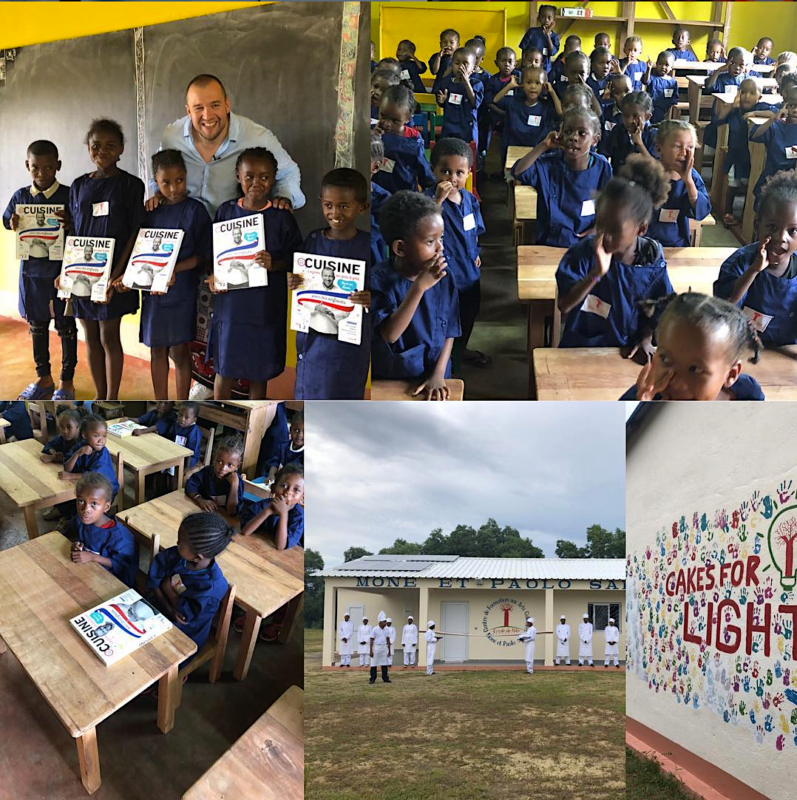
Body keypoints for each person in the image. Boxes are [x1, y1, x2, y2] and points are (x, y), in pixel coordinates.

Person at [114, 150, 211, 400]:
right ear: (155, 182)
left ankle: (181, 402)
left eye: (179, 180)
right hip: (154, 296)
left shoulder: (196, 211)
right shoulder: (150, 211)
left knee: (180, 352)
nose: (173, 188)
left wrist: (173, 270)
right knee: (157, 351)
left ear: (186, 176)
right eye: (165, 182)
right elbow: (140, 253)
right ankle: (161, 402)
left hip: (181, 292)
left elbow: (202, 256)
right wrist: (129, 278)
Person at [208, 147, 302, 400]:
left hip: (264, 307)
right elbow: (214, 254)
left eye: (264, 177)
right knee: (224, 367)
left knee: (258, 372)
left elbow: (297, 258)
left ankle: (252, 414)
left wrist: (275, 264)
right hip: (231, 306)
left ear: (273, 179)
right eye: (249, 176)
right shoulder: (225, 211)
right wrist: (213, 277)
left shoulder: (282, 217)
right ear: (238, 176)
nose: (256, 183)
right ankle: (220, 412)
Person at [60, 119, 144, 401]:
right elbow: (75, 231)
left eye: (110, 146)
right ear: (88, 149)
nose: (102, 151)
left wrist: (116, 275)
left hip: (113, 276)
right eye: (96, 145)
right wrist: (67, 272)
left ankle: (112, 397)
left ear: (121, 150)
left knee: (109, 336)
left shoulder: (132, 185)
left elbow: (134, 231)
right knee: (90, 336)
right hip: (84, 275)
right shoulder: (78, 185)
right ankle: (99, 394)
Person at [556, 155, 671, 353]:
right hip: (582, 347)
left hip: (626, 350)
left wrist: (646, 339)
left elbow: (658, 308)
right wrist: (596, 274)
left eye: (614, 229)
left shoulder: (652, 260)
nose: (604, 235)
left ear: (641, 229)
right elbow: (564, 305)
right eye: (600, 224)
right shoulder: (584, 252)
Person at [150, 74, 303, 216]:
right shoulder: (171, 136)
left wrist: (285, 197)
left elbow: (289, 172)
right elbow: (157, 174)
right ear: (189, 111)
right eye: (198, 108)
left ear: (227, 105)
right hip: (186, 230)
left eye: (215, 105)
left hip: (234, 230)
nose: (207, 115)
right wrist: (159, 195)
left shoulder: (257, 137)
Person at [3, 140, 75, 401]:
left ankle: (67, 383)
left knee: (66, 327)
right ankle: (43, 378)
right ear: (27, 166)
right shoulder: (21, 196)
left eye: (48, 168)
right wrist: (12, 222)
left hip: (61, 273)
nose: (42, 173)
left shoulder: (69, 195)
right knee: (37, 327)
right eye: (35, 168)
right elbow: (6, 219)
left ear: (58, 165)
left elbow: (80, 228)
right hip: (31, 275)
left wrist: (71, 223)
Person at [290, 169, 371, 400]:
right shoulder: (314, 241)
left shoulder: (367, 245)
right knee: (309, 394)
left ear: (362, 207)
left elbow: (385, 292)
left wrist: (370, 298)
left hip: (349, 344)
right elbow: (301, 281)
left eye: (344, 206)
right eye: (328, 205)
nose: (335, 212)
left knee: (343, 397)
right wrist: (294, 281)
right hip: (313, 341)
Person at [371, 191, 461, 400]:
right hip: (397, 381)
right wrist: (419, 287)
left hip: (436, 376)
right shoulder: (378, 281)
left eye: (441, 238)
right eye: (430, 242)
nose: (440, 248)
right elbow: (389, 335)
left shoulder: (444, 275)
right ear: (400, 248)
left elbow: (450, 330)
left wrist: (438, 374)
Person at [620, 293, 765, 401]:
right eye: (664, 358)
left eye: (694, 369)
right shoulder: (639, 398)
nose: (676, 384)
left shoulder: (748, 395)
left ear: (731, 375)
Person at [714, 170, 797, 346]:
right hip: (742, 348)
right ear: (757, 226)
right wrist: (753, 271)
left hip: (783, 353)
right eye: (772, 227)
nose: (781, 237)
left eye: (793, 231)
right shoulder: (738, 263)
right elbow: (725, 310)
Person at [425, 138, 487, 369]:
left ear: (468, 172)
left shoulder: (470, 200)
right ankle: (444, 362)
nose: (452, 178)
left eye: (459, 172)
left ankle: (461, 350)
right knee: (443, 320)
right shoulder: (427, 202)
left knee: (468, 314)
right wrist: (438, 201)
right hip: (442, 276)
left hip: (468, 272)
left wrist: (476, 251)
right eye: (445, 171)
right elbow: (422, 226)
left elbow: (475, 231)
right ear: (433, 171)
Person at [512, 108, 613, 247]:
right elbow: (518, 172)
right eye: (567, 132)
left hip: (585, 242)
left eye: (582, 133)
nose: (573, 137)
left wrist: (599, 228)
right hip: (549, 241)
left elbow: (610, 206)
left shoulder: (602, 167)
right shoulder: (549, 163)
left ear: (595, 140)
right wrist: (544, 145)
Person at [146, 511, 233, 652]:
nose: (177, 543)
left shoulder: (210, 588)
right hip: (160, 607)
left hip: (186, 634)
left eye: (180, 543)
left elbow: (186, 616)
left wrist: (168, 589)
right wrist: (168, 606)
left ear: (197, 558)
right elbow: (155, 579)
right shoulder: (178, 556)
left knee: (158, 657)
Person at [714, 79, 778, 226]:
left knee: (748, 186)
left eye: (752, 93)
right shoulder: (735, 110)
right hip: (734, 155)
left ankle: (744, 216)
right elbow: (718, 120)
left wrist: (755, 112)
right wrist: (731, 106)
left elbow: (774, 112)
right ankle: (728, 212)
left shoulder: (760, 107)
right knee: (732, 184)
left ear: (759, 96)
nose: (747, 96)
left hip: (750, 159)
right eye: (743, 92)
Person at [647, 120, 711, 248]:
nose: (684, 152)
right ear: (659, 149)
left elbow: (702, 211)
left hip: (676, 242)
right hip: (645, 240)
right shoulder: (646, 173)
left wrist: (688, 181)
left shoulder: (692, 177)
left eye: (690, 147)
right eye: (677, 146)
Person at [68, 472, 137, 588]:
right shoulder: (81, 521)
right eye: (81, 501)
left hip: (112, 584)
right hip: (88, 574)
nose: (86, 509)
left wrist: (92, 557)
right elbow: (82, 541)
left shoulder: (119, 537)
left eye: (94, 503)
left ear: (106, 507)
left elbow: (122, 566)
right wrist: (77, 546)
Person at [372, 86, 435, 194]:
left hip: (403, 199)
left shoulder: (413, 142)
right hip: (375, 197)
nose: (387, 124)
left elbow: (427, 179)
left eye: (395, 121)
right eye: (383, 116)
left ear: (408, 119)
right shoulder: (371, 133)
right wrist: (372, 140)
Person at [750, 85, 797, 210]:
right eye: (792, 106)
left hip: (793, 183)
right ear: (786, 106)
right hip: (772, 178)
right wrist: (773, 118)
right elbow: (754, 136)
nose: (796, 110)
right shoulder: (776, 126)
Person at [240, 463, 304, 549]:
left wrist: (283, 514)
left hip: (286, 557)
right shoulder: (263, 505)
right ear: (273, 488)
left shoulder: (298, 516)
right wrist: (267, 511)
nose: (288, 492)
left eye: (296, 489)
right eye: (284, 485)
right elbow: (245, 531)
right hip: (258, 548)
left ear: (302, 497)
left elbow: (281, 546)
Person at [60, 415, 119, 502]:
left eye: (104, 436)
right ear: (84, 435)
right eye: (96, 436)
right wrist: (77, 453)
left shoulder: (103, 453)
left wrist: (71, 476)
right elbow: (67, 468)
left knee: (82, 501)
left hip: (106, 490)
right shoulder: (80, 446)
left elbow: (94, 476)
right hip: (89, 484)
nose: (101, 440)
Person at [185, 434, 245, 516]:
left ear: (238, 466)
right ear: (214, 458)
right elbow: (190, 485)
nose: (223, 468)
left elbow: (232, 511)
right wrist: (200, 500)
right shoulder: (207, 472)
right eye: (219, 461)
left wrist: (234, 485)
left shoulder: (237, 483)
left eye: (229, 465)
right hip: (203, 514)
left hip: (223, 520)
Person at [435, 48, 483, 144]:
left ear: (473, 68)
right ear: (451, 65)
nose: (461, 67)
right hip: (449, 127)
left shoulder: (476, 84)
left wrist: (466, 81)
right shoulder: (446, 83)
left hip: (467, 129)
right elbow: (442, 104)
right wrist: (442, 101)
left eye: (465, 64)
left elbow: (475, 103)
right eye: (457, 63)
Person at [604, 90, 655, 168]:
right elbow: (606, 155)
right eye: (625, 115)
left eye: (635, 116)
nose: (629, 121)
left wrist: (639, 143)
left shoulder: (653, 135)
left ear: (647, 117)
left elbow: (654, 168)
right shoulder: (618, 130)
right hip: (620, 178)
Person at [518, 4, 559, 73]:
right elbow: (524, 49)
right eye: (543, 17)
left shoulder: (554, 36)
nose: (546, 20)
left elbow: (552, 52)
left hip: (545, 69)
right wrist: (523, 64)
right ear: (539, 18)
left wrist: (548, 35)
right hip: (530, 67)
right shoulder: (532, 32)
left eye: (549, 18)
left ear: (554, 20)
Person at [167, 402, 202, 478]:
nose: (182, 419)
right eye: (180, 415)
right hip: (177, 451)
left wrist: (187, 467)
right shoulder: (177, 424)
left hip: (189, 457)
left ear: (194, 419)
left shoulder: (194, 431)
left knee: (176, 468)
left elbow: (191, 452)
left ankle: (175, 486)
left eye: (186, 417)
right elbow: (170, 436)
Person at [370, 132, 390, 267]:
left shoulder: (383, 200)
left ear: (375, 167)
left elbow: (369, 237)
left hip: (372, 267)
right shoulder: (337, 193)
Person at [266, 411, 304, 481]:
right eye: (296, 430)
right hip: (276, 481)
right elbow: (275, 463)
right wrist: (271, 476)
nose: (300, 435)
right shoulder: (283, 446)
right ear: (290, 430)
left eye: (304, 432)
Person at [642, 52, 678, 124]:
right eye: (660, 64)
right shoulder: (652, 77)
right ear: (656, 64)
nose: (663, 67)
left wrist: (668, 115)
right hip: (649, 109)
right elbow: (646, 81)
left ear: (671, 67)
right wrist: (648, 69)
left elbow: (673, 101)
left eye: (667, 65)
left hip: (664, 112)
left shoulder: (672, 83)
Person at [369, 612, 392, 684]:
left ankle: (385, 678)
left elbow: (388, 639)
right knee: (374, 664)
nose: (386, 623)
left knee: (384, 663)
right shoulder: (375, 629)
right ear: (380, 622)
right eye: (384, 621)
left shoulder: (387, 629)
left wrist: (389, 650)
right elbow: (371, 640)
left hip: (384, 647)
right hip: (376, 647)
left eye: (386, 621)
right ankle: (372, 678)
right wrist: (371, 651)